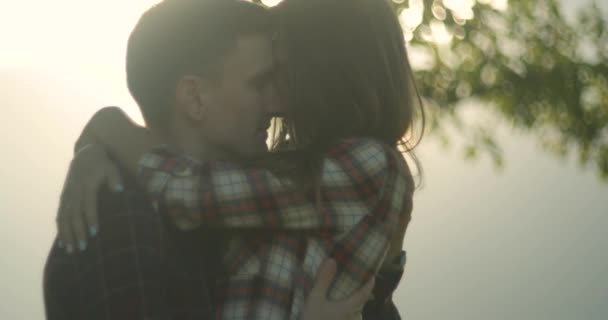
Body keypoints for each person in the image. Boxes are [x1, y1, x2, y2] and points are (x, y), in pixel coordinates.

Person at [55, 0, 422, 318]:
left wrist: (107, 127)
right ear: (195, 98)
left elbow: (191, 192)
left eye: (284, 77)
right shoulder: (127, 220)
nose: (277, 104)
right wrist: (95, 147)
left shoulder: (365, 165)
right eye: (262, 81)